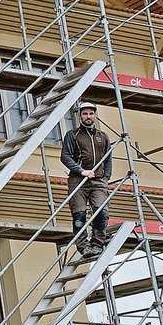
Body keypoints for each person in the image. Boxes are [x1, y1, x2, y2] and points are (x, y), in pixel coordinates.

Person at [59, 102, 113, 254]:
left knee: (101, 212)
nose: (88, 117)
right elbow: (65, 157)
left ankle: (97, 243)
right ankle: (83, 247)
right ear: (80, 116)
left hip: (98, 180)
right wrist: (81, 171)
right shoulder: (73, 135)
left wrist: (106, 177)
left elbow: (108, 158)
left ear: (95, 115)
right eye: (85, 114)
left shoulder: (102, 136)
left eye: (91, 113)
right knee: (79, 214)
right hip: (78, 181)